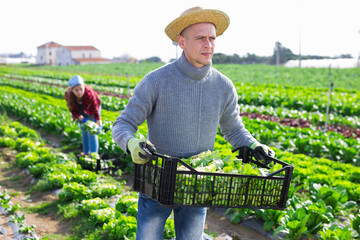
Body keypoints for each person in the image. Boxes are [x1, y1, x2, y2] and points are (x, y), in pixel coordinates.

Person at [112, 6, 274, 240]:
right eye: (200, 38)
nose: (208, 44)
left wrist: (254, 146)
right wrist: (132, 143)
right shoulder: (156, 81)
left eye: (212, 38)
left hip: (198, 183)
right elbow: (123, 124)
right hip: (158, 180)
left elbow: (234, 130)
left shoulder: (224, 86)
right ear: (182, 42)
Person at [65, 75, 102, 155]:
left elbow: (95, 111)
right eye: (76, 90)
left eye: (81, 89)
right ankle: (86, 153)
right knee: (84, 131)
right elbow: (73, 110)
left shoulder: (89, 93)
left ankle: (94, 156)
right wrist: (83, 120)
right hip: (80, 110)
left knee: (92, 133)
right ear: (72, 90)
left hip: (92, 109)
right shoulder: (68, 95)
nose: (79, 92)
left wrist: (99, 124)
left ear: (84, 87)